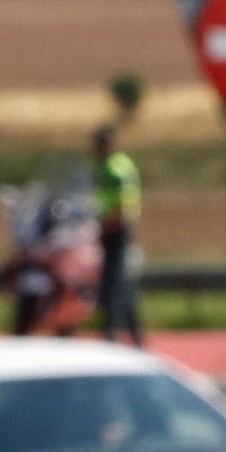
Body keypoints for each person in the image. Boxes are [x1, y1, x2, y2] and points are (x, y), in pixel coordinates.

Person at [91, 122, 146, 341]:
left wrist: (104, 228)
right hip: (120, 227)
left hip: (115, 229)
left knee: (112, 284)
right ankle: (137, 336)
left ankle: (111, 335)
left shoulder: (112, 170)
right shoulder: (123, 164)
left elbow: (121, 205)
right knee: (124, 284)